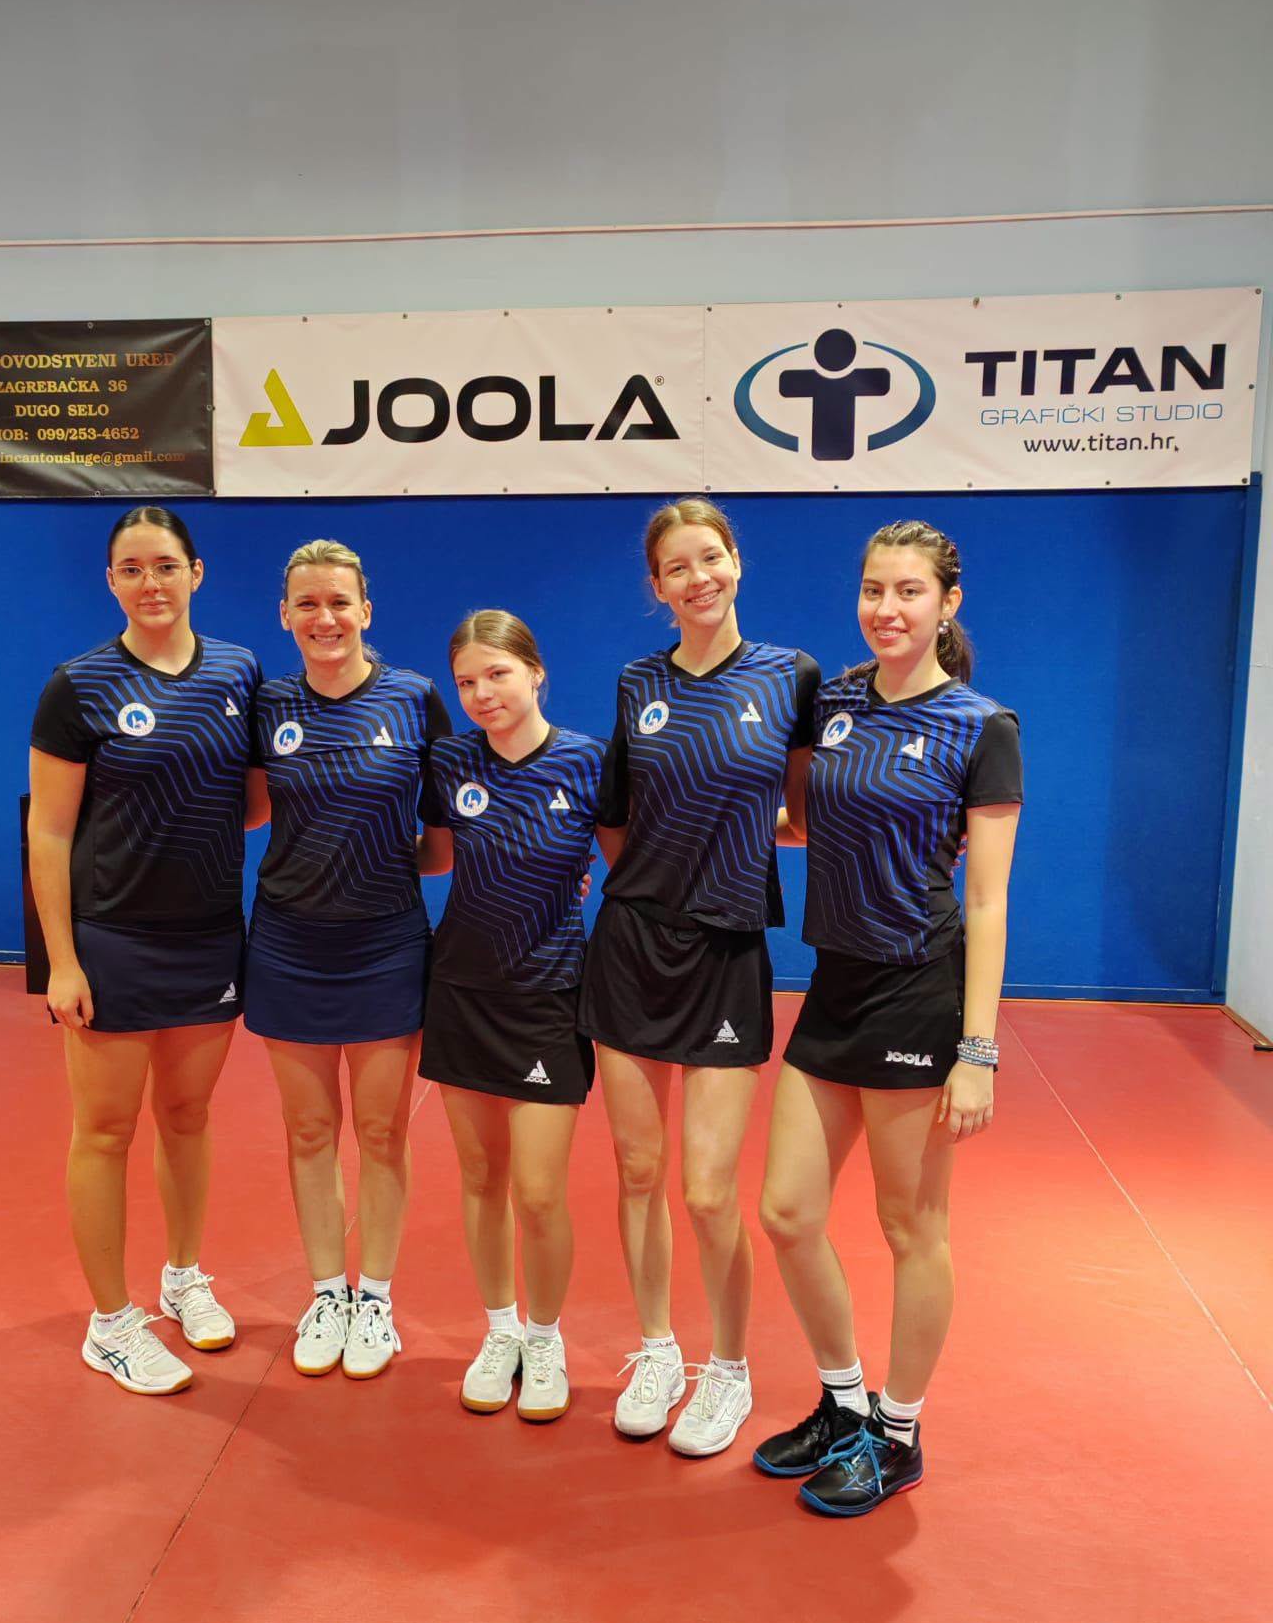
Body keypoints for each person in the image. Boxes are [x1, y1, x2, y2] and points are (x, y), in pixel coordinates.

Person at [753, 518, 1022, 1515]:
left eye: (909, 591)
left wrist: (977, 1050)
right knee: (787, 1212)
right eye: (873, 589)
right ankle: (841, 1403)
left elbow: (987, 900)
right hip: (834, 983)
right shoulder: (833, 703)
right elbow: (803, 822)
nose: (886, 608)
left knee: (912, 1226)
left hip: (918, 989)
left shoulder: (983, 727)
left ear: (948, 604)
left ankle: (898, 1432)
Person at [579, 499, 817, 1456]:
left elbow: (807, 812)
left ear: (736, 562)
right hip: (633, 946)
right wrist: (658, 881)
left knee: (710, 1191)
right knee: (638, 1172)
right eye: (677, 568)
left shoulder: (790, 676)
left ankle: (729, 1367)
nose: (698, 579)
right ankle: (657, 1350)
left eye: (710, 558)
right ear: (657, 587)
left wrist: (736, 848)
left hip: (725, 953)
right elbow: (615, 816)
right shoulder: (639, 682)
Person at [28, 505, 260, 1396]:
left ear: (196, 573)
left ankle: (183, 1276)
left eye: (165, 566)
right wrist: (62, 960)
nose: (150, 583)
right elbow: (50, 832)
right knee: (105, 1130)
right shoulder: (79, 685)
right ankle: (111, 1322)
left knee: (189, 1117)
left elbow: (251, 800)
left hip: (209, 936)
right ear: (112, 582)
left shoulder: (238, 671)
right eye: (132, 569)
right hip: (113, 941)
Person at [243, 540, 452, 1381]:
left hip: (384, 944)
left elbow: (444, 836)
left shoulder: (413, 698)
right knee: (308, 1129)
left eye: (339, 602)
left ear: (366, 610)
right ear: (285, 615)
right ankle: (327, 1294)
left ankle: (377, 1299)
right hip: (289, 943)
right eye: (307, 604)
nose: (324, 618)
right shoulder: (268, 704)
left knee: (381, 1130)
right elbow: (248, 810)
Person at [419, 611, 604, 1423]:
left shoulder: (588, 761)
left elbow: (642, 855)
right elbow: (433, 855)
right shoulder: (450, 762)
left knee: (537, 1190)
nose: (481, 693)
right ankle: (499, 1331)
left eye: (497, 673)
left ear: (536, 671)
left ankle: (545, 1335)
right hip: (462, 990)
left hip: (549, 995)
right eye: (466, 681)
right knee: (480, 1177)